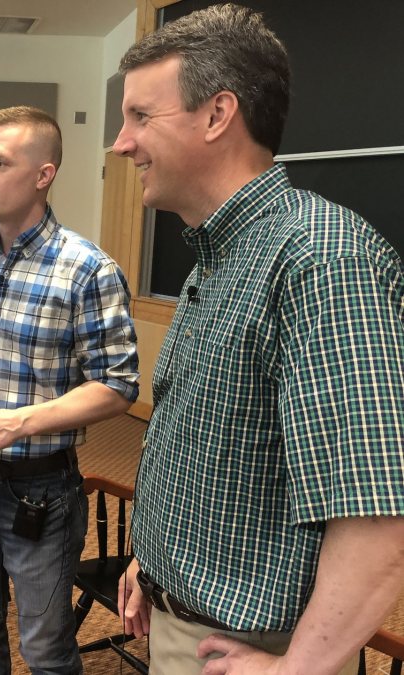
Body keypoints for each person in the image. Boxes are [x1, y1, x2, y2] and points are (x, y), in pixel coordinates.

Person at [112, 6, 404, 675]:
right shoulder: (216, 256)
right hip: (183, 619)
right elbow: (210, 450)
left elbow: (378, 516)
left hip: (255, 650)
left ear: (217, 115)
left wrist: (294, 669)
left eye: (139, 117)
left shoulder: (321, 260)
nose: (122, 143)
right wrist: (151, 563)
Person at [0, 105, 140, 674]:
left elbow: (118, 386)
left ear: (44, 174)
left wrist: (15, 422)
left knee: (45, 648)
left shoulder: (88, 270)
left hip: (40, 488)